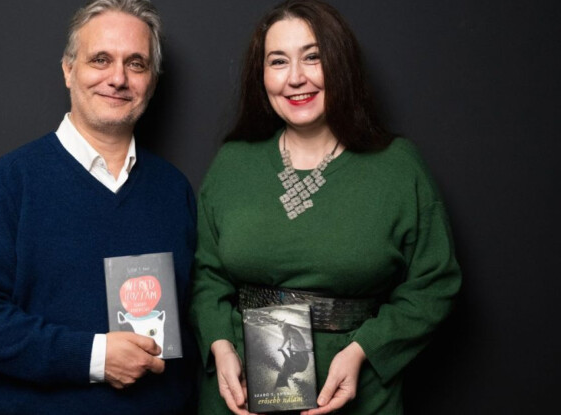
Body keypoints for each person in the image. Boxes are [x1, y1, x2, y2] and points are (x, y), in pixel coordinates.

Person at [189, 1, 462, 414]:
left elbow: (435, 283)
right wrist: (219, 344)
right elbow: (204, 275)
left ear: (340, 64)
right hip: (240, 393)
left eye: (312, 57)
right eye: (278, 61)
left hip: (358, 394)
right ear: (261, 76)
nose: (296, 78)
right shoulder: (233, 163)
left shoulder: (398, 167)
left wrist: (363, 350)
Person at [0, 1, 197, 414]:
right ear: (68, 70)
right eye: (100, 60)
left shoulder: (173, 189)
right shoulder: (13, 181)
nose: (118, 78)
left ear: (151, 80)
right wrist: (93, 358)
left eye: (136, 64)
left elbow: (192, 314)